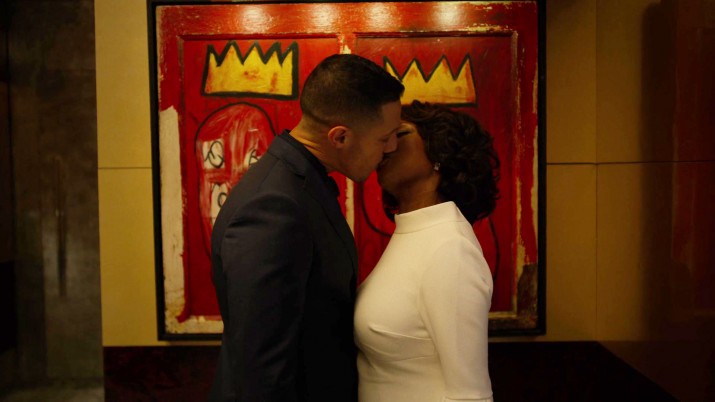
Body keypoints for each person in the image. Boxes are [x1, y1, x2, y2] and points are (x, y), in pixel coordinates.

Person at [208, 54, 404, 402]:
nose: (392, 148)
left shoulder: (300, 183)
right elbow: (261, 372)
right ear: (340, 137)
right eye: (384, 138)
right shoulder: (274, 206)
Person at [354, 100, 500, 402]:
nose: (386, 146)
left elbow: (471, 396)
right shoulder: (415, 233)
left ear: (440, 154)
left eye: (399, 135)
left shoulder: (451, 249)